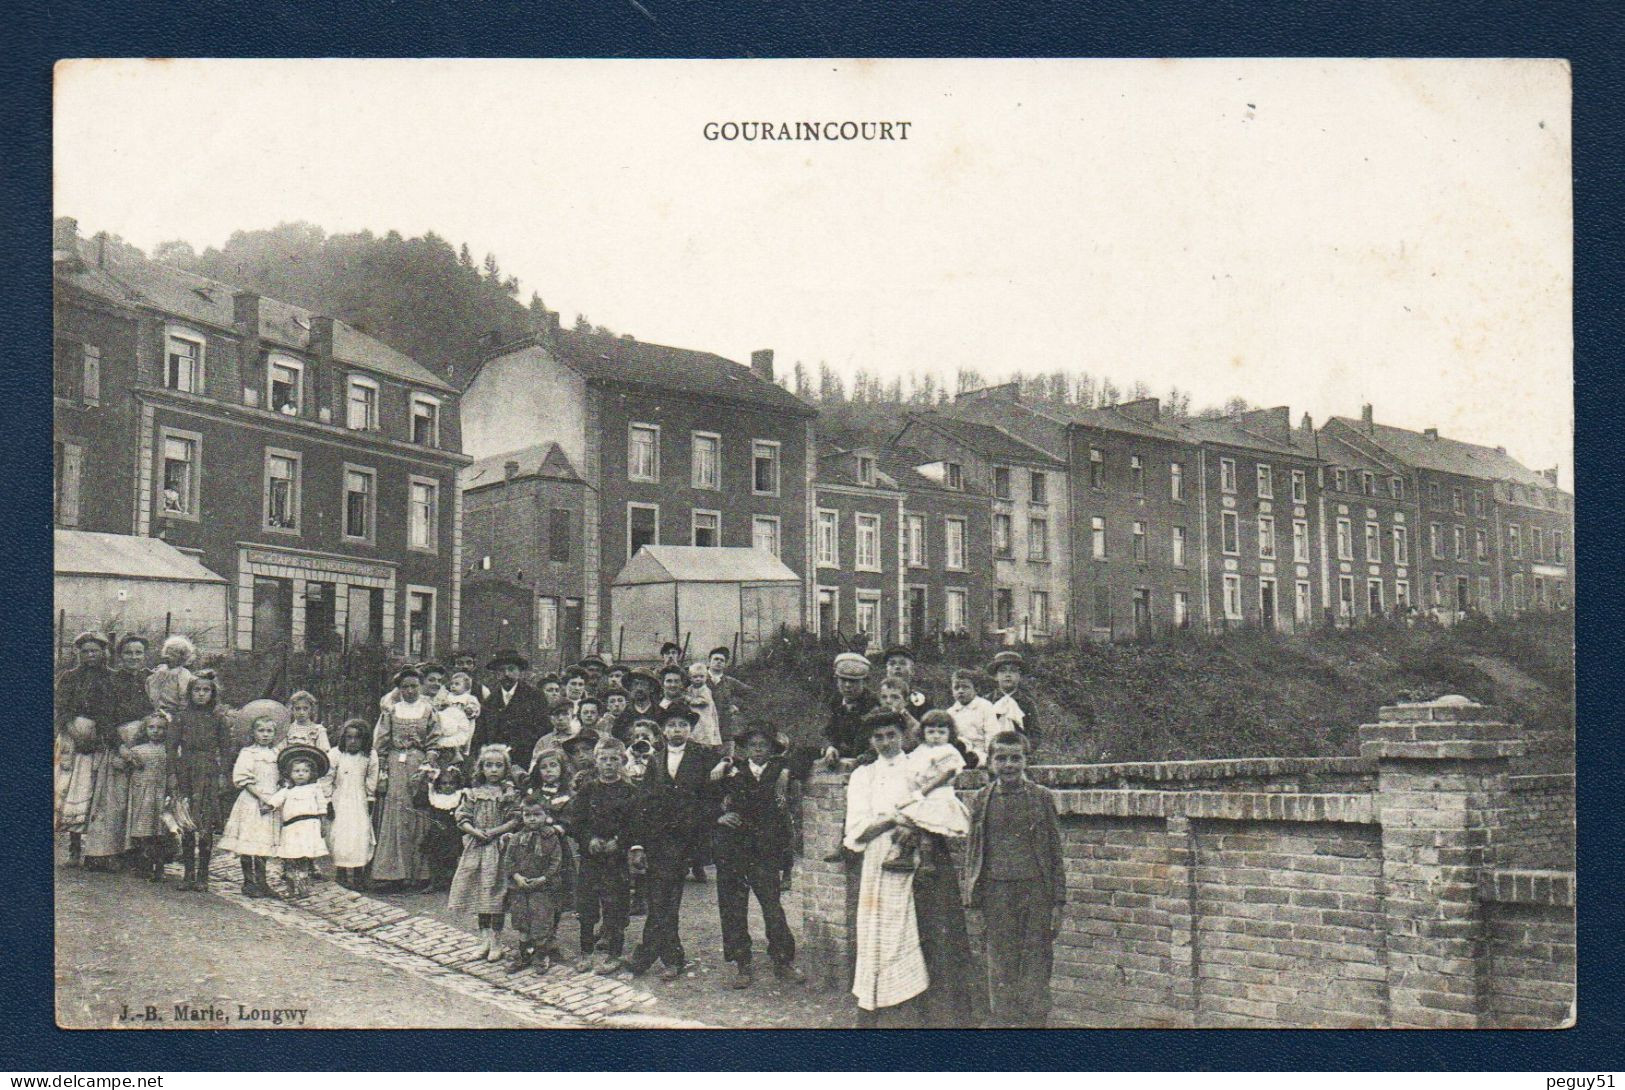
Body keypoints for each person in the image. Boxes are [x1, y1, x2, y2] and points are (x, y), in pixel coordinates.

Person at [842, 710, 981, 1027]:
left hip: (924, 857)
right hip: (881, 859)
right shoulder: (863, 775)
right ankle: (884, 1009)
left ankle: (932, 1016)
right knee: (883, 930)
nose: (886, 742)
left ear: (904, 735)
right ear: (871, 740)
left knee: (930, 931)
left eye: (892, 734)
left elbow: (941, 807)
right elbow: (857, 831)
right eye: (879, 737)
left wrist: (916, 828)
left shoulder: (920, 765)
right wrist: (894, 820)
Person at [963, 730, 1066, 1027]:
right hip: (996, 892)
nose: (1009, 764)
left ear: (1025, 760)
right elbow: (974, 850)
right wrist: (971, 897)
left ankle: (1034, 1024)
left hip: (1035, 891)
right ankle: (1005, 1023)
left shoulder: (1040, 798)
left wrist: (1059, 901)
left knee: (1036, 960)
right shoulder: (982, 799)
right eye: (1001, 758)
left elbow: (1054, 851)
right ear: (990, 762)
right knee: (999, 962)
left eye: (1015, 758)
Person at [620, 705, 717, 979]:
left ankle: (657, 956)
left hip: (687, 839)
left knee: (665, 898)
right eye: (672, 725)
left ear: (690, 729)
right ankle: (662, 955)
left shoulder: (703, 756)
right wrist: (638, 843)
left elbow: (712, 794)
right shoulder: (656, 759)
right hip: (658, 838)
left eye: (683, 725)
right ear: (663, 730)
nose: (677, 730)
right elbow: (644, 802)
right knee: (662, 898)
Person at [710, 725, 806, 989]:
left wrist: (786, 769)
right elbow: (707, 798)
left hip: (766, 849)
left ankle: (783, 961)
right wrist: (719, 816)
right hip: (734, 848)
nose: (758, 750)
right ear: (746, 749)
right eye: (753, 745)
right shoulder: (732, 771)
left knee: (772, 906)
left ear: (772, 748)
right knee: (733, 907)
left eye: (763, 745)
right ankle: (742, 963)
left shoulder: (780, 770)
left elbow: (804, 760)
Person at [562, 736, 639, 973]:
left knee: (615, 905)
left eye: (614, 759)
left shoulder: (629, 791)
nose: (608, 764)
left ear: (623, 761)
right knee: (587, 906)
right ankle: (586, 952)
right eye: (603, 759)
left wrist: (620, 841)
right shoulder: (588, 790)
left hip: (616, 859)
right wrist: (589, 839)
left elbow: (635, 824)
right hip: (591, 857)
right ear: (596, 761)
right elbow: (576, 822)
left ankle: (614, 953)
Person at [84, 634, 153, 872]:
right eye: (128, 653)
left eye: (138, 653)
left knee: (142, 801)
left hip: (146, 747)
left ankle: (137, 853)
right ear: (120, 656)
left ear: (145, 655)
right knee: (114, 801)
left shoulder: (152, 681)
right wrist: (120, 747)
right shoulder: (109, 681)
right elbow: (103, 719)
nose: (133, 657)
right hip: (118, 744)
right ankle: (105, 853)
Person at [449, 745, 523, 962]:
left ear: (505, 769)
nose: (493, 770)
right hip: (477, 848)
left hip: (499, 849)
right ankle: (483, 941)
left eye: (498, 766)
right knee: (481, 896)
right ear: (481, 768)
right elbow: (462, 817)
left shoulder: (508, 794)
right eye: (488, 765)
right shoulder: (473, 793)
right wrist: (475, 831)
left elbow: (515, 819)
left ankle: (497, 942)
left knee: (495, 896)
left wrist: (494, 831)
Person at [371, 668, 438, 890]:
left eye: (414, 686)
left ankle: (419, 874)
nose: (409, 691)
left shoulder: (428, 710)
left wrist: (428, 764)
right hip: (395, 764)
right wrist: (382, 770)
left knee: (419, 814)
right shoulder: (391, 711)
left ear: (420, 687)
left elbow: (434, 741)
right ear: (399, 689)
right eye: (405, 687)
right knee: (396, 814)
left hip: (419, 764)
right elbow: (381, 742)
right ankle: (393, 874)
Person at [55, 632, 116, 868]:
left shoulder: (111, 677)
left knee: (98, 795)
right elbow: (61, 709)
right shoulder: (69, 677)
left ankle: (97, 851)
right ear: (79, 653)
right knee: (74, 792)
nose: (91, 655)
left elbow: (113, 711)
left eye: (95, 650)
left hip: (101, 741)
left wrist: (99, 736)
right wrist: (73, 731)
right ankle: (74, 847)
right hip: (74, 742)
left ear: (103, 653)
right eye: (86, 651)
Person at [884, 711, 971, 874]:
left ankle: (927, 863)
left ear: (950, 733)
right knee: (906, 825)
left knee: (927, 831)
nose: (936, 736)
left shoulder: (947, 751)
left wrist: (921, 793)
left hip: (938, 795)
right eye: (931, 732)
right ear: (923, 732)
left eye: (941, 732)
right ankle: (904, 855)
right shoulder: (921, 749)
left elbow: (946, 775)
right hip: (922, 793)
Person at [169, 670, 232, 891]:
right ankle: (188, 874)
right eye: (197, 690)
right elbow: (171, 748)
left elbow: (226, 750)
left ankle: (203, 876)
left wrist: (223, 775)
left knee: (205, 825)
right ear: (190, 693)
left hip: (208, 772)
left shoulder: (218, 719)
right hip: (185, 768)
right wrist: (172, 775)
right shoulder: (181, 717)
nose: (202, 694)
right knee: (187, 822)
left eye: (206, 690)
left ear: (213, 694)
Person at [218, 715, 283, 898]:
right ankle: (248, 882)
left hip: (271, 802)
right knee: (248, 842)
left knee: (263, 842)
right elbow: (242, 779)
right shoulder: (248, 753)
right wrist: (261, 797)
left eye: (269, 731)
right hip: (252, 800)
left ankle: (262, 882)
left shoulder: (277, 754)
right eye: (260, 731)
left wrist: (275, 797)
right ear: (253, 733)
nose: (265, 735)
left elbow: (282, 776)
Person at [501, 796, 568, 972]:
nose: (532, 819)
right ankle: (524, 955)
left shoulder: (551, 838)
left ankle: (541, 955)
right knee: (522, 921)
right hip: (520, 887)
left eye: (537, 814)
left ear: (546, 815)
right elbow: (508, 860)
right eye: (527, 815)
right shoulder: (516, 837)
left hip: (543, 888)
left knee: (541, 921)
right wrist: (517, 877)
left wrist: (543, 878)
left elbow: (556, 861)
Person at [270, 745, 332, 898]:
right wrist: (267, 807)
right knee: (291, 857)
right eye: (296, 771)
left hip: (309, 826)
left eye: (305, 771)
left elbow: (322, 806)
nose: (300, 774)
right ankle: (290, 887)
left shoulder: (314, 789)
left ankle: (304, 886)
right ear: (289, 774)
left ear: (311, 773)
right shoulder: (287, 790)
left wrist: (323, 823)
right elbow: (275, 801)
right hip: (291, 827)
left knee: (304, 857)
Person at [326, 720, 378, 890]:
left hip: (359, 799)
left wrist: (370, 799)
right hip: (340, 799)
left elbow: (371, 779)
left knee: (359, 835)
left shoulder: (369, 756)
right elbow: (327, 779)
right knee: (339, 835)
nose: (353, 742)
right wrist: (327, 801)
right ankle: (341, 871)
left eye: (357, 738)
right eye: (349, 737)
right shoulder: (335, 754)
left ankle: (358, 874)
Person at [123, 713, 173, 884]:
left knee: (160, 829)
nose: (156, 731)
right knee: (143, 828)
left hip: (161, 793)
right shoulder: (138, 750)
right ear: (145, 730)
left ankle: (159, 867)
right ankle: (143, 865)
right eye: (151, 727)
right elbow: (124, 767)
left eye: (160, 728)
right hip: (142, 794)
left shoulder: (170, 750)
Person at [479, 652, 545, 763]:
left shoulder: (535, 696)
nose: (507, 674)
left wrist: (515, 747)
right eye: (501, 670)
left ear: (519, 672)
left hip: (526, 759)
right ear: (496, 674)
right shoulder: (489, 702)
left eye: (511, 669)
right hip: (497, 762)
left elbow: (542, 729)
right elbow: (483, 735)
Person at [821, 652, 881, 763]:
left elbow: (877, 743)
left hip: (863, 762)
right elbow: (828, 732)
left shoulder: (873, 706)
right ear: (837, 680)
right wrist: (829, 747)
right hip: (837, 758)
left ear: (864, 682)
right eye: (843, 680)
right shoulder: (835, 703)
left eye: (853, 681)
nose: (847, 685)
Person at [418, 764, 466, 892]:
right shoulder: (435, 797)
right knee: (434, 858)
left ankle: (451, 883)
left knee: (452, 858)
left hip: (453, 832)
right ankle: (434, 882)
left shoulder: (459, 796)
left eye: (451, 783)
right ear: (439, 785)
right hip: (436, 832)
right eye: (444, 783)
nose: (448, 786)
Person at [988, 651, 1041, 752]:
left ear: (1019, 676)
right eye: (1003, 671)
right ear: (995, 676)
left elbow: (1036, 734)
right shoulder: (987, 701)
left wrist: (1024, 749)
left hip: (1020, 753)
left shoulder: (1027, 703)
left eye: (1013, 671)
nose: (1008, 675)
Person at [945, 669, 997, 768]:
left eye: (965, 687)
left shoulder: (985, 706)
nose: (960, 691)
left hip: (980, 753)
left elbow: (991, 734)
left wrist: (990, 758)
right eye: (956, 688)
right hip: (957, 752)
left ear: (975, 689)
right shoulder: (950, 712)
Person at [704, 646, 754, 745]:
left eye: (722, 660)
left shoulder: (730, 682)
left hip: (725, 730)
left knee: (727, 759)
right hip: (703, 729)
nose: (718, 662)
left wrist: (736, 705)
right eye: (716, 659)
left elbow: (751, 693)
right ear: (709, 661)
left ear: (725, 664)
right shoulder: (699, 679)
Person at [432, 671, 481, 766]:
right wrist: (442, 705)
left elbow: (475, 709)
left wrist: (469, 709)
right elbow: (439, 707)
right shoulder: (448, 697)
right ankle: (449, 754)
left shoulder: (469, 698)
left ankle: (459, 754)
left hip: (463, 723)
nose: (453, 686)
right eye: (452, 684)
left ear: (466, 687)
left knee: (461, 738)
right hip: (448, 723)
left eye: (457, 684)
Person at [145, 635, 197, 720]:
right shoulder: (161, 669)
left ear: (182, 657)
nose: (168, 657)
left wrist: (180, 712)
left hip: (173, 712)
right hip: (156, 709)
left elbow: (184, 695)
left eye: (173, 655)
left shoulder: (183, 674)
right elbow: (149, 683)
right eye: (167, 653)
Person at [882, 646, 936, 716]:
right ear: (886, 670)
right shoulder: (879, 698)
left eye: (902, 663)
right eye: (892, 664)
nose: (897, 667)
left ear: (912, 670)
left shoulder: (921, 698)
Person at [682, 662, 724, 747]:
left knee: (704, 728)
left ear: (706, 677)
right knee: (694, 728)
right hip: (694, 713)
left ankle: (704, 744)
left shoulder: (705, 689)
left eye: (701, 677)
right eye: (695, 677)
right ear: (690, 678)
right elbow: (685, 695)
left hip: (704, 714)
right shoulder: (690, 688)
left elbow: (704, 701)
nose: (698, 679)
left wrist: (690, 700)